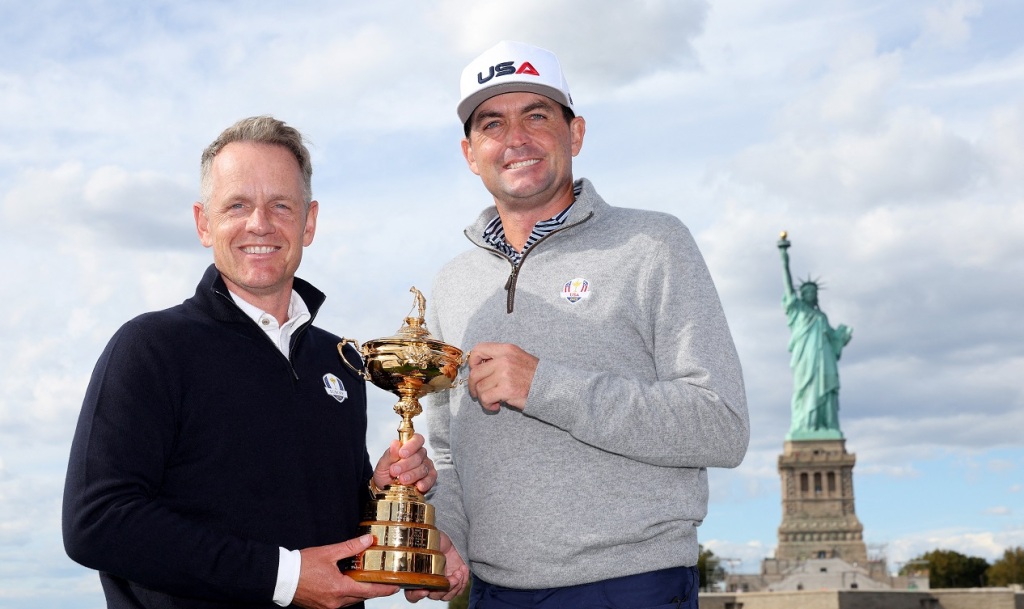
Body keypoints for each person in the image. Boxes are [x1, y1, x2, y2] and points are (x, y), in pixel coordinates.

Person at [62, 115, 467, 609]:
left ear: (308, 221)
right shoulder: (150, 346)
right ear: (203, 223)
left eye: (281, 204)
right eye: (237, 205)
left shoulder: (340, 361)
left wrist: (381, 498)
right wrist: (286, 576)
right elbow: (96, 521)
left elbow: (320, 522)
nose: (260, 224)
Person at [423, 41, 750, 609]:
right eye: (492, 123)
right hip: (495, 594)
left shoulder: (655, 245)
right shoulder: (450, 286)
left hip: (631, 586)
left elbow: (720, 425)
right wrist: (448, 536)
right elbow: (450, 448)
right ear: (470, 153)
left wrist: (543, 386)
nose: (516, 138)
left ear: (574, 134)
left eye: (537, 115)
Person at [777, 232, 852, 439]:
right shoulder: (797, 310)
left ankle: (826, 424)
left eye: (814, 292)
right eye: (807, 291)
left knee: (826, 387)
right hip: (805, 359)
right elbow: (786, 280)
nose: (811, 294)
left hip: (825, 358)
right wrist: (784, 254)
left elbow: (833, 340)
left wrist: (842, 337)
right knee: (805, 389)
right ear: (802, 294)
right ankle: (805, 426)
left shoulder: (821, 316)